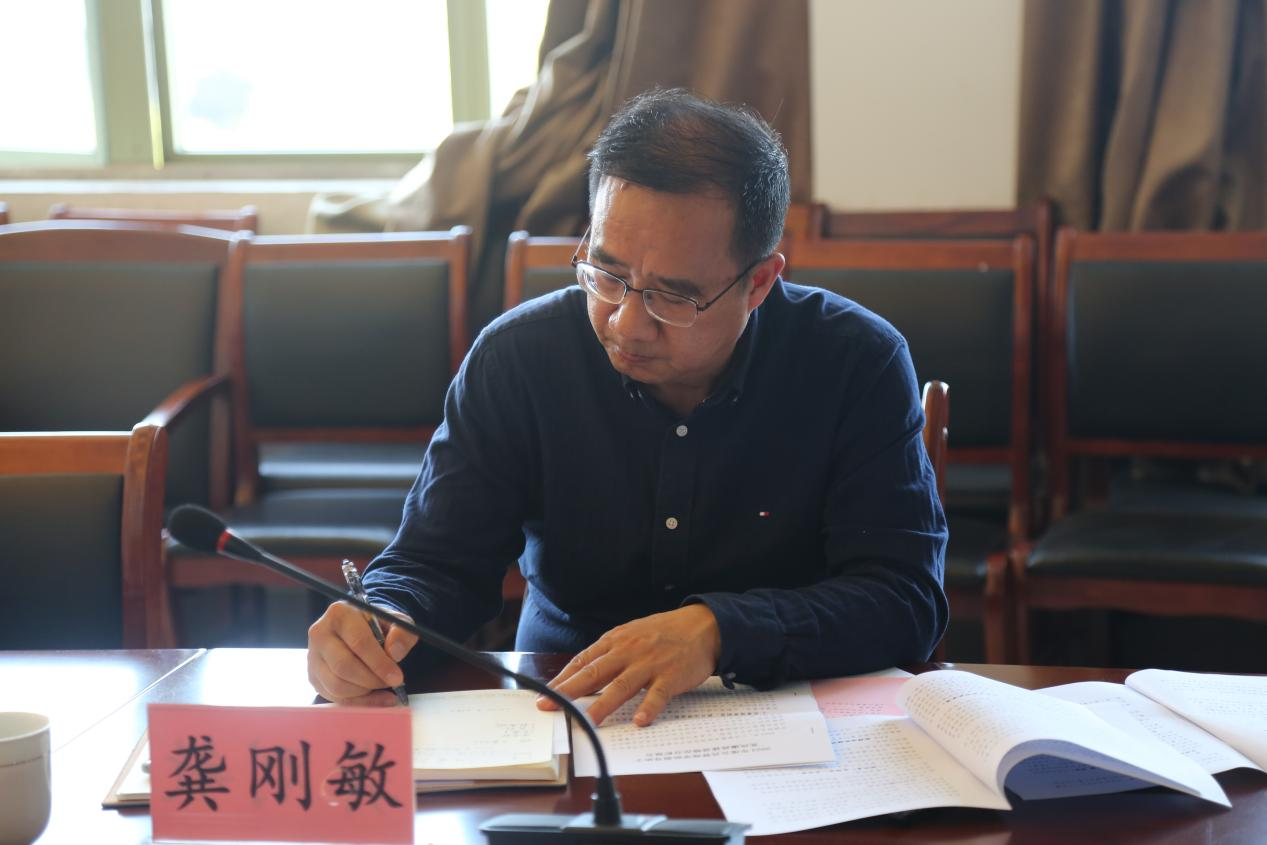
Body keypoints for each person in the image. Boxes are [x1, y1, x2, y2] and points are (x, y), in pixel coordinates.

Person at [307, 88, 947, 727]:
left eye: (674, 297)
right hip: (562, 700)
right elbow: (438, 562)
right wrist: (383, 618)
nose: (627, 324)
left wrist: (718, 631)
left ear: (758, 282)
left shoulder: (854, 361)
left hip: (782, 712)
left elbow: (905, 598)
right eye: (607, 275)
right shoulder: (519, 357)